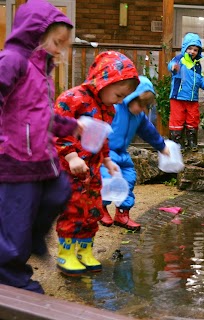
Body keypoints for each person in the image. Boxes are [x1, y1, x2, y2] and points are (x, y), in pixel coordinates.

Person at [0, 0, 84, 294]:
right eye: (56, 42)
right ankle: (11, 275)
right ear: (36, 34)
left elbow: (42, 116)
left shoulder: (42, 73)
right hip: (13, 158)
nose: (60, 50)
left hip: (40, 157)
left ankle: (34, 235)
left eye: (63, 44)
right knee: (15, 221)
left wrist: (71, 126)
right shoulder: (12, 60)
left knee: (61, 191)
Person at [54, 51, 140, 276]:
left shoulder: (108, 108)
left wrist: (108, 159)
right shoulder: (71, 99)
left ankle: (84, 251)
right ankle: (66, 253)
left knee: (92, 210)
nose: (120, 101)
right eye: (119, 94)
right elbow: (56, 131)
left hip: (92, 172)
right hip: (69, 172)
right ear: (104, 80)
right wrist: (71, 157)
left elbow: (102, 137)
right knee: (72, 210)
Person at [99, 75, 170, 231]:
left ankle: (122, 213)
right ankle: (101, 208)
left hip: (122, 153)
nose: (142, 109)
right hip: (106, 153)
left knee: (129, 179)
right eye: (140, 104)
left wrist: (162, 146)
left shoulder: (139, 117)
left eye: (146, 106)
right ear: (130, 96)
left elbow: (149, 132)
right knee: (106, 180)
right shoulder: (114, 109)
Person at [168, 32, 204, 152]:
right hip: (178, 96)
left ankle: (192, 141)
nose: (192, 52)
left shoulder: (198, 64)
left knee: (193, 118)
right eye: (190, 48)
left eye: (195, 50)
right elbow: (171, 64)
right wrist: (173, 68)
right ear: (185, 48)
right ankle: (177, 142)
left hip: (192, 97)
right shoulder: (179, 59)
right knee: (177, 118)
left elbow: (200, 78)